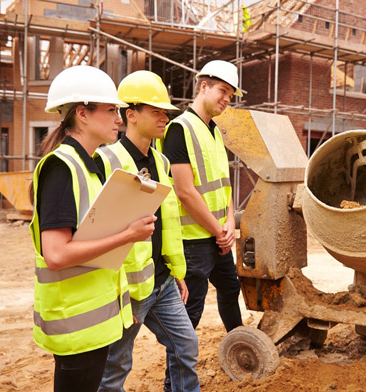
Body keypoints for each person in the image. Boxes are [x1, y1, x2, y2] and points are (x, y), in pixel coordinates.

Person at [30, 65, 156, 392]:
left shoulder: (93, 165)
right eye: (112, 109)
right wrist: (128, 235)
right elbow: (56, 254)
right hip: (75, 325)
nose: (119, 117)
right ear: (83, 114)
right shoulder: (61, 167)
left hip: (93, 322)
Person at [96, 71, 200, 392]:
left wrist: (176, 269)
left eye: (166, 112)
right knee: (116, 366)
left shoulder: (162, 161)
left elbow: (167, 221)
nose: (164, 117)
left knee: (186, 347)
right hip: (128, 286)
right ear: (131, 114)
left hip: (162, 279)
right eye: (156, 111)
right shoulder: (106, 160)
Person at [158, 60, 243, 333]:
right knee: (191, 310)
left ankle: (239, 345)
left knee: (230, 288)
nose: (227, 98)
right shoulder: (178, 129)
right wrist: (219, 230)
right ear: (203, 87)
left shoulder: (215, 131)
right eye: (223, 90)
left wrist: (230, 223)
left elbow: (223, 186)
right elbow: (185, 191)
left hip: (218, 235)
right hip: (194, 240)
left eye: (231, 94)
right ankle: (176, 376)